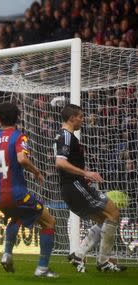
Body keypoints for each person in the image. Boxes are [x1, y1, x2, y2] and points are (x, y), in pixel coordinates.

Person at [0, 102, 58, 278]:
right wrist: (37, 172)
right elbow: (22, 159)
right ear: (17, 118)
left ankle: (7, 254)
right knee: (49, 222)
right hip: (16, 193)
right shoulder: (19, 137)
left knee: (16, 218)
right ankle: (42, 268)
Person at [54, 104, 126, 272]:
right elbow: (60, 162)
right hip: (75, 186)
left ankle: (79, 255)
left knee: (105, 219)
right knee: (114, 213)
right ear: (72, 118)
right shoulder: (65, 136)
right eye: (80, 116)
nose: (82, 119)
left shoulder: (66, 136)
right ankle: (102, 261)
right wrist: (85, 173)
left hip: (73, 187)